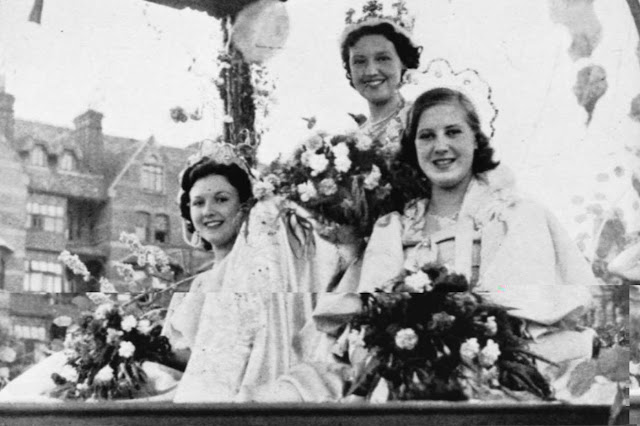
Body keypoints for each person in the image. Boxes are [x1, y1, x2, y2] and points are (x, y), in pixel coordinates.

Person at [292, 62, 614, 403]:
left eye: (453, 132)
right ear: (413, 147)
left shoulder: (516, 215)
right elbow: (372, 317)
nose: (440, 146)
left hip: (498, 360)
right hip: (410, 367)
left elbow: (522, 311)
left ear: (475, 140)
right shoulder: (393, 228)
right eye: (427, 136)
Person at [0, 140, 352, 403]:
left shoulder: (257, 274)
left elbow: (226, 358)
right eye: (198, 202)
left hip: (205, 393)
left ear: (245, 207)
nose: (208, 211)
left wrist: (145, 349)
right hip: (165, 379)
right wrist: (127, 342)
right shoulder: (196, 283)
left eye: (221, 199)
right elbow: (179, 350)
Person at [339, 1, 422, 156]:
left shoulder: (421, 121)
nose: (371, 71)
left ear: (404, 62)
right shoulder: (354, 139)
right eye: (360, 61)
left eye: (383, 58)